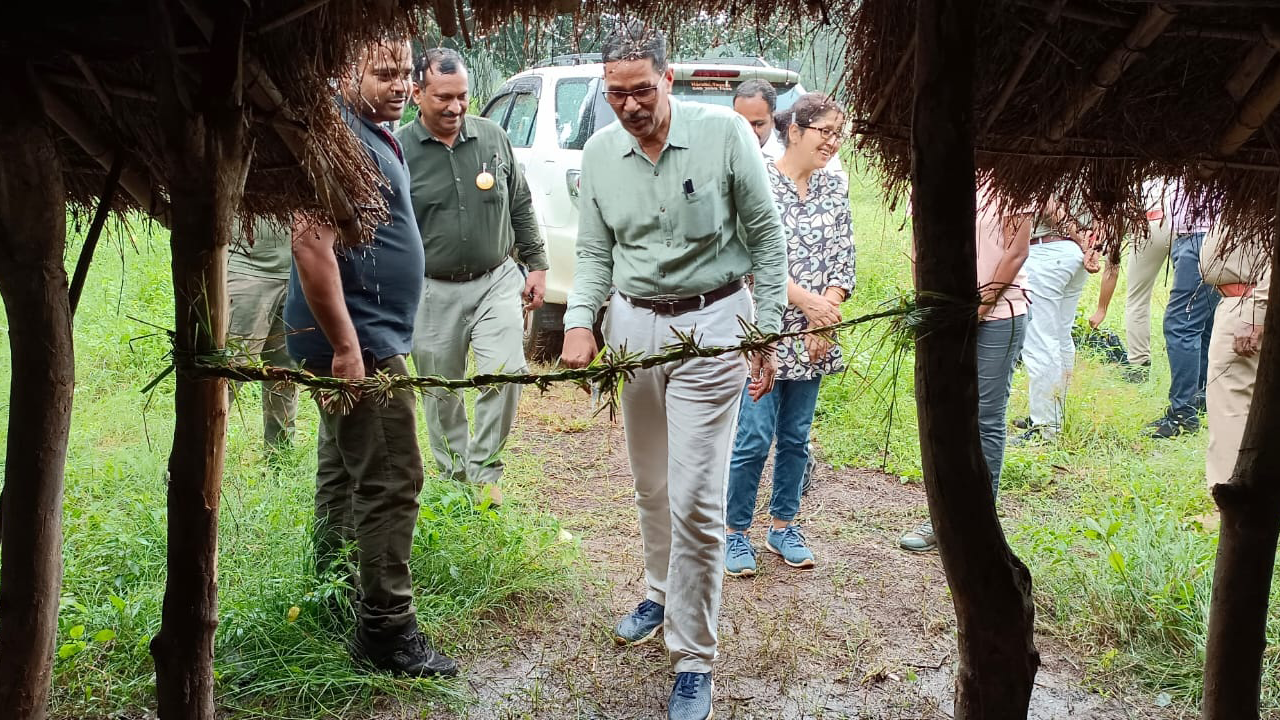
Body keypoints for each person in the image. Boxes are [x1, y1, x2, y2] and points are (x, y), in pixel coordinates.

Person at [559, 21, 786, 720]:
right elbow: (595, 252)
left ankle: (693, 656)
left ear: (668, 78)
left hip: (712, 324)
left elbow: (766, 235)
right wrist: (579, 321)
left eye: (641, 89)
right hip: (633, 328)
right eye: (615, 93)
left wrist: (764, 330)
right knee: (651, 483)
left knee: (695, 497)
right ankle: (659, 591)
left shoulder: (721, 136)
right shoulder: (599, 154)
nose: (629, 104)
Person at [284, 37, 457, 677]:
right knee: (391, 475)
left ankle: (333, 596)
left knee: (342, 468)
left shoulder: (369, 129)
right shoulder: (340, 137)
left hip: (356, 338)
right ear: (345, 68)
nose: (396, 84)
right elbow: (309, 243)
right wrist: (348, 347)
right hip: (356, 343)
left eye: (403, 73)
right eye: (382, 72)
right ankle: (386, 629)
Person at [396, 48, 547, 507]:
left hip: (495, 279)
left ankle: (485, 473)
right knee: (440, 391)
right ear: (417, 93)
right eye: (443, 97)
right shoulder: (398, 150)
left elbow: (519, 201)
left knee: (505, 372)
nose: (456, 107)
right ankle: (454, 477)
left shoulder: (493, 137)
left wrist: (536, 262)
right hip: (430, 288)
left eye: (463, 96)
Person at [724, 93, 854, 577]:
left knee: (797, 437)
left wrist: (827, 312)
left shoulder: (834, 189)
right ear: (795, 129)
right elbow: (754, 265)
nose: (832, 142)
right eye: (825, 131)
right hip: (766, 331)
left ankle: (783, 525)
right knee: (754, 436)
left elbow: (844, 260)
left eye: (838, 134)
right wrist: (809, 305)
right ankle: (735, 533)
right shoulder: (762, 186)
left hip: (817, 335)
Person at [899, 186, 1032, 552]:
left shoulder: (1011, 179)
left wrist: (980, 309)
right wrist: (928, 306)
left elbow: (1016, 251)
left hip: (1001, 314)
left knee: (985, 417)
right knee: (945, 412)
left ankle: (978, 522)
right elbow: (919, 246)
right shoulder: (936, 172)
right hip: (944, 315)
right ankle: (942, 518)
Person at [1013, 196, 1095, 443]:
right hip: (1071, 254)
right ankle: (1054, 416)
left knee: (1040, 342)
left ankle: (1046, 428)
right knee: (1060, 337)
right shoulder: (1087, 162)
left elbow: (1046, 201)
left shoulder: (1044, 159)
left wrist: (1079, 236)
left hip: (1047, 251)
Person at [1146, 188, 1219, 438]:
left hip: (1199, 238)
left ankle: (1183, 413)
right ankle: (1200, 401)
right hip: (1200, 238)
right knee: (1203, 326)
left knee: (1181, 325)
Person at [1201, 229, 1269, 487]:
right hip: (1248, 302)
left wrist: (1256, 311)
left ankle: (1236, 508)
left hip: (1249, 304)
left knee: (1232, 408)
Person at [227, 217, 298, 448]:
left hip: (298, 271)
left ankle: (280, 458)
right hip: (244, 267)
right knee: (227, 373)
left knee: (285, 375)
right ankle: (195, 461)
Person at [1121, 182, 1177, 382]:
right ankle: (1192, 364)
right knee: (1192, 297)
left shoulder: (1141, 165)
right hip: (1182, 223)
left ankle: (1138, 364)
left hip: (1150, 221)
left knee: (1137, 298)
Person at [732, 79, 777, 149]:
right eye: (741, 123)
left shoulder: (788, 156)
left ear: (772, 120)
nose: (748, 131)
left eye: (758, 124)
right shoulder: (722, 152)